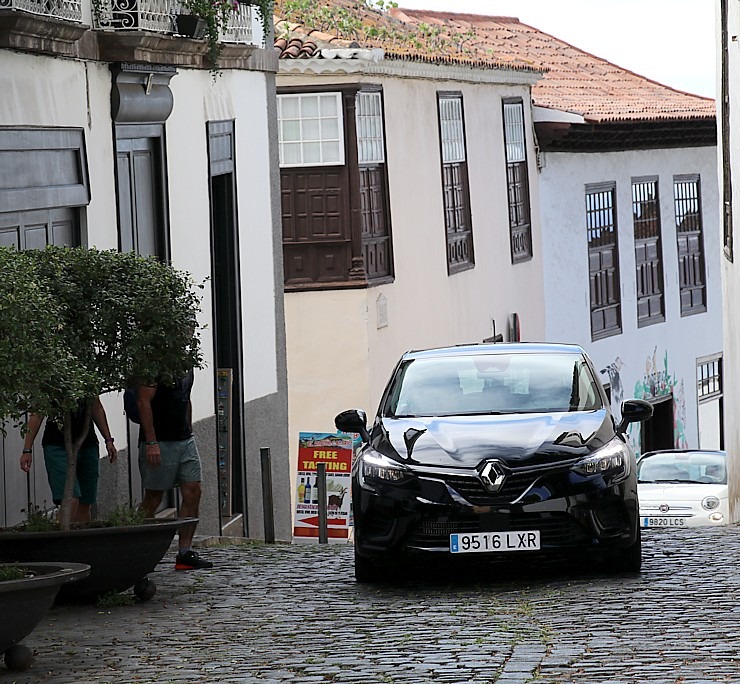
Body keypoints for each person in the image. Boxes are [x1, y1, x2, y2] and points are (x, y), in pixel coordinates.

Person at [137, 369, 212, 571]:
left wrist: (189, 429)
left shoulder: (188, 364)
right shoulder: (155, 363)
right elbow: (143, 401)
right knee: (153, 498)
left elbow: (186, 398)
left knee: (193, 491)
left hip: (184, 439)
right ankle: (136, 550)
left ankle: (184, 552)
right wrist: (151, 441)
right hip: (159, 440)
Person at [19, 397, 117, 523]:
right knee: (70, 499)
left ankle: (79, 541)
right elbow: (37, 414)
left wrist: (108, 439)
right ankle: (61, 538)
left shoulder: (89, 381)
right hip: (57, 444)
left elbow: (96, 407)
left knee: (85, 503)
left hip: (87, 443)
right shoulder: (50, 381)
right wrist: (27, 449)